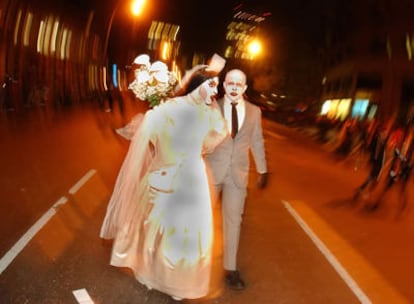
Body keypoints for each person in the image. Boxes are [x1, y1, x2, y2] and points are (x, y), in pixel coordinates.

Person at [100, 63, 228, 300]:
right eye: (211, 85)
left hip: (194, 177)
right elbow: (149, 136)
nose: (215, 91)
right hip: (170, 175)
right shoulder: (166, 109)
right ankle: (155, 275)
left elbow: (220, 133)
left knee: (192, 234)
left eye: (217, 87)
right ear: (198, 85)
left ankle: (183, 283)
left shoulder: (208, 112)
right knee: (166, 230)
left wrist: (199, 146)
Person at [204, 69, 268, 290]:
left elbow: (257, 141)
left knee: (234, 221)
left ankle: (230, 269)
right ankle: (195, 264)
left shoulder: (254, 112)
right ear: (224, 85)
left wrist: (263, 169)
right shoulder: (212, 106)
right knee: (202, 218)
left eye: (238, 84)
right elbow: (200, 135)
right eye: (230, 82)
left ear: (245, 88)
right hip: (212, 170)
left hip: (238, 174)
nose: (233, 86)